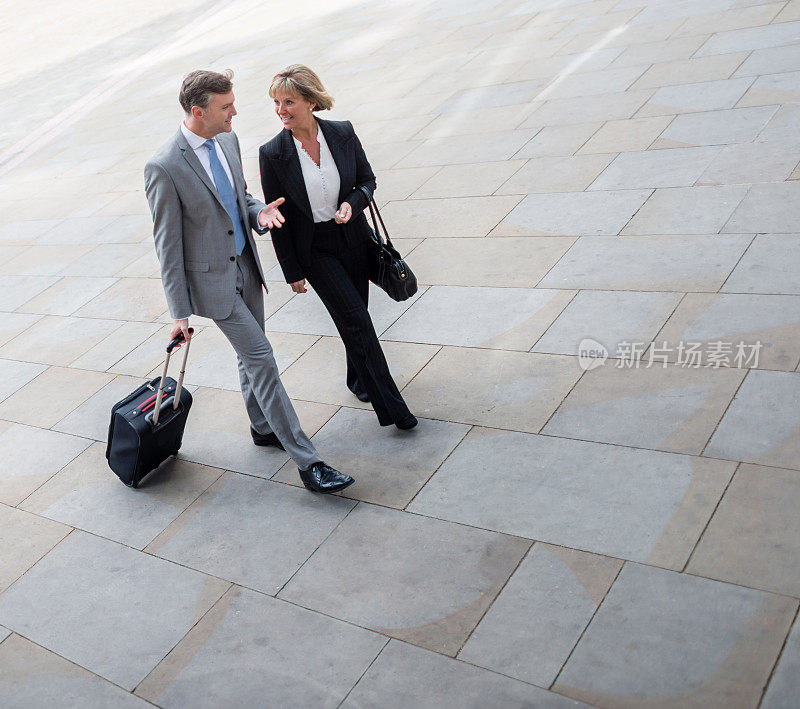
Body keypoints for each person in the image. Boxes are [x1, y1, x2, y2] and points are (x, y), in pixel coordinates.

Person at [144, 69, 353, 494]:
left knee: (249, 354)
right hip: (213, 286)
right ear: (198, 111)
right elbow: (167, 245)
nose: (235, 111)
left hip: (246, 267)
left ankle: (262, 427)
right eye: (226, 107)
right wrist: (178, 313)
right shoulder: (164, 167)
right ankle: (308, 462)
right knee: (261, 358)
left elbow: (240, 197)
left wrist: (260, 213)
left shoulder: (227, 140)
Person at [259, 64, 417, 430]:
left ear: (311, 101)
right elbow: (278, 216)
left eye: (289, 102)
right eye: (276, 103)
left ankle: (357, 378)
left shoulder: (342, 133)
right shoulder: (273, 153)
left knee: (355, 313)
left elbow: (367, 180)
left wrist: (352, 203)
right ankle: (394, 409)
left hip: (354, 240)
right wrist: (292, 272)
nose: (281, 110)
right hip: (315, 250)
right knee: (358, 321)